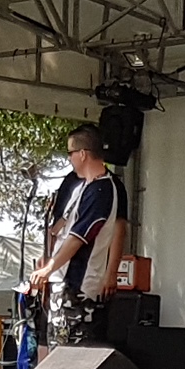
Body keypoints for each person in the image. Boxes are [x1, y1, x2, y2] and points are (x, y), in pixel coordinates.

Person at [30, 126, 128, 348]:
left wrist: (49, 268)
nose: (70, 159)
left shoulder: (103, 189)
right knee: (54, 348)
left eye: (70, 154)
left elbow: (78, 238)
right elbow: (61, 227)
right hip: (62, 284)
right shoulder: (80, 186)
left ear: (82, 153)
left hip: (79, 287)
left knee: (71, 354)